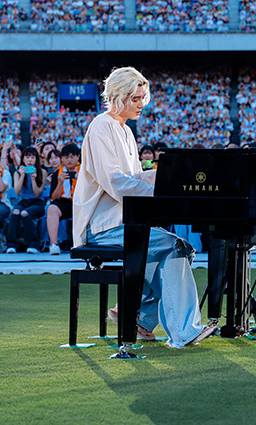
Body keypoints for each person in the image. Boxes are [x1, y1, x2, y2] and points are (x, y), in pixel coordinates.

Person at [76, 66, 216, 347]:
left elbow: (135, 178)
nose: (141, 104)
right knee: (177, 247)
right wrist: (159, 188)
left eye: (143, 98)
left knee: (181, 248)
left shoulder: (126, 131)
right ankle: (183, 331)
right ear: (119, 96)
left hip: (126, 221)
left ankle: (137, 315)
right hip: (104, 225)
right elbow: (115, 181)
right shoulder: (101, 126)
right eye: (135, 98)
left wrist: (167, 178)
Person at [6, 147, 46, 254]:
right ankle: (12, 244)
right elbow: (17, 191)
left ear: (36, 159)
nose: (30, 160)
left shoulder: (42, 172)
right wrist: (22, 176)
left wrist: (33, 179)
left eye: (33, 157)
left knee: (25, 213)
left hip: (37, 203)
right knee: (15, 212)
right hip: (24, 201)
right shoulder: (17, 173)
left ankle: (34, 244)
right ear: (23, 159)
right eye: (27, 157)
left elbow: (37, 194)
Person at [46, 143, 80, 255]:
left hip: (81, 202)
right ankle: (54, 245)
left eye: (72, 156)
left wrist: (80, 181)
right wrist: (60, 183)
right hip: (64, 203)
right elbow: (54, 197)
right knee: (52, 208)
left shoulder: (85, 172)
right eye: (66, 157)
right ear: (62, 158)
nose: (69, 160)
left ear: (78, 157)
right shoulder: (57, 174)